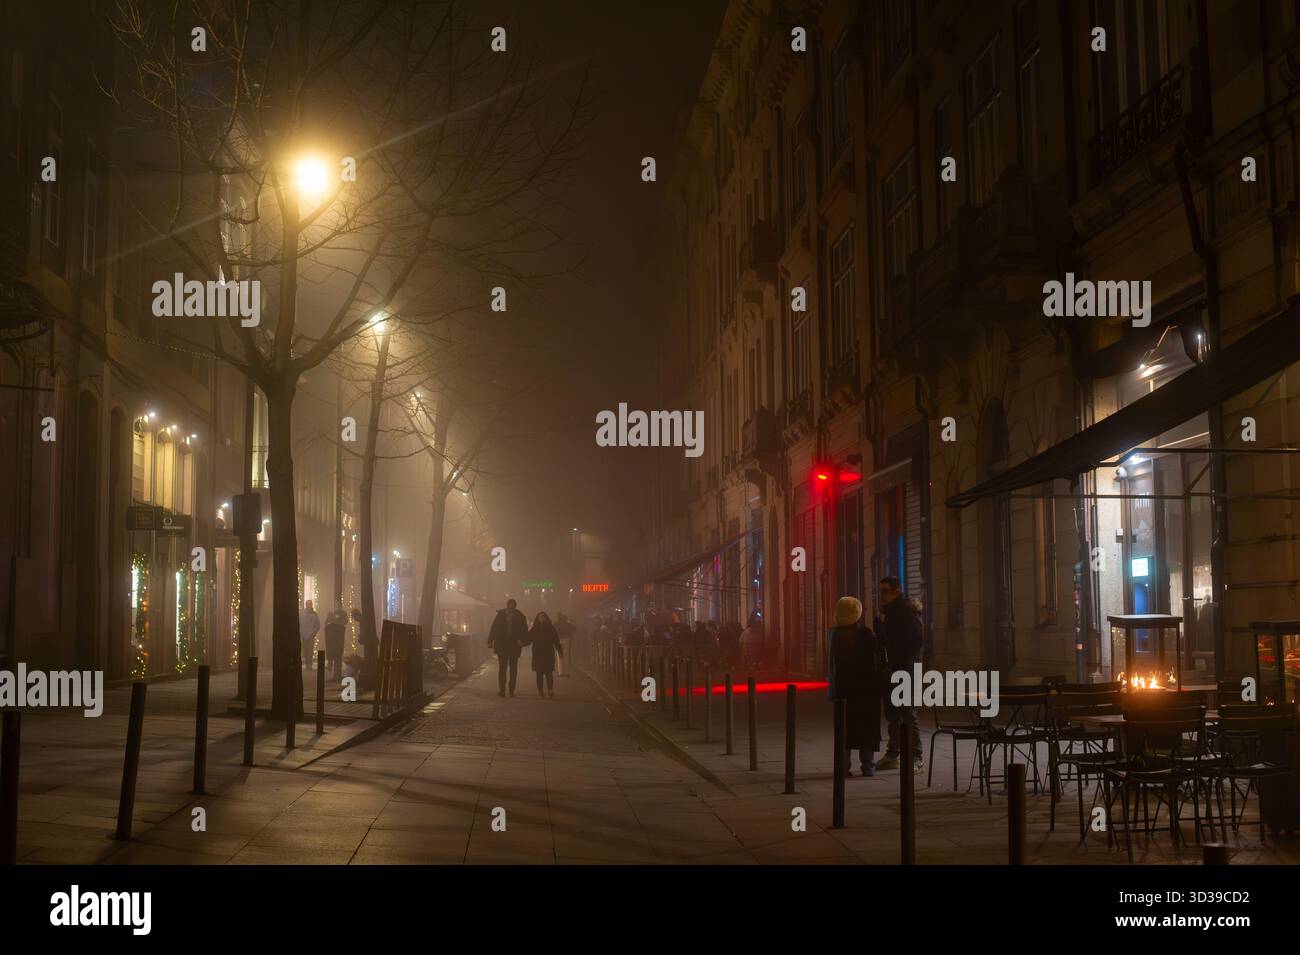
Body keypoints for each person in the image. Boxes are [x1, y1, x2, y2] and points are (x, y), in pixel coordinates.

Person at [828, 596, 887, 777]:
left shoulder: (834, 634)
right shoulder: (865, 634)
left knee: (845, 728)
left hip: (844, 687)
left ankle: (843, 767)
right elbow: (877, 654)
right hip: (866, 688)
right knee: (866, 728)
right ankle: (867, 766)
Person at [875, 576, 925, 773]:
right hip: (892, 669)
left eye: (885, 591)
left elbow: (917, 640)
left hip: (907, 670)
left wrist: (903, 659)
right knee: (893, 713)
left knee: (908, 713)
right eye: (880, 591)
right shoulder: (887, 613)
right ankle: (893, 753)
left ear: (896, 591)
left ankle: (916, 757)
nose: (881, 595)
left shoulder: (905, 611)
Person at [488, 598, 528, 697]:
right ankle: (502, 689)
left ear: (515, 607)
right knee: (503, 668)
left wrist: (521, 640)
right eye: (509, 606)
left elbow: (524, 630)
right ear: (507, 606)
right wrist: (490, 641)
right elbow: (494, 628)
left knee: (513, 669)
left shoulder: (520, 617)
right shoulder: (501, 615)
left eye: (512, 606)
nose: (511, 608)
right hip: (502, 644)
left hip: (514, 645)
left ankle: (511, 690)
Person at [529, 611, 564, 698]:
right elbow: (528, 638)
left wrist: (560, 651)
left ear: (546, 618)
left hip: (548, 653)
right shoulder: (535, 628)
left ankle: (550, 690)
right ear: (537, 619)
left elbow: (556, 640)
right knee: (539, 674)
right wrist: (521, 642)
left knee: (549, 673)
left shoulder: (551, 628)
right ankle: (540, 691)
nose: (542, 618)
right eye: (540, 617)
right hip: (538, 653)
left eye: (543, 617)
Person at [324, 606, 348, 680]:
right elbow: (326, 622)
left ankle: (337, 672)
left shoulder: (343, 613)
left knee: (337, 654)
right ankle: (331, 666)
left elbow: (345, 621)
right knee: (331, 652)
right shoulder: (331, 613)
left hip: (338, 638)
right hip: (331, 638)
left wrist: (338, 621)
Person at [299, 600, 321, 670]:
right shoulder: (301, 614)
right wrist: (301, 633)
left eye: (310, 604)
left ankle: (309, 664)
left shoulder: (315, 615)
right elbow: (299, 624)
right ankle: (306, 664)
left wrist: (313, 633)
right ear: (306, 605)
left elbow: (317, 625)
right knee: (305, 650)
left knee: (310, 650)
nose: (309, 605)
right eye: (308, 604)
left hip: (311, 636)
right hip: (303, 635)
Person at [555, 613, 574, 677]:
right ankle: (566, 672)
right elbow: (574, 628)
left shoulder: (556, 624)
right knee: (566, 656)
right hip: (566, 639)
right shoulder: (567, 624)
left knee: (560, 656)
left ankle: (561, 672)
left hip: (558, 640)